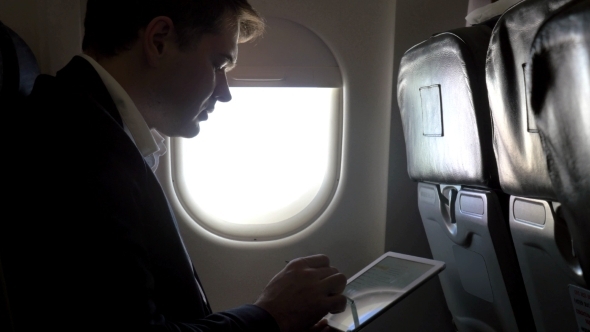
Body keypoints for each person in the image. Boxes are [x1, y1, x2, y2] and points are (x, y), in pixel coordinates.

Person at [1, 0, 346, 331]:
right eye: (218, 64)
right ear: (159, 41)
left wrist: (273, 325)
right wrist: (271, 316)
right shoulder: (78, 151)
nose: (224, 92)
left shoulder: (100, 131)